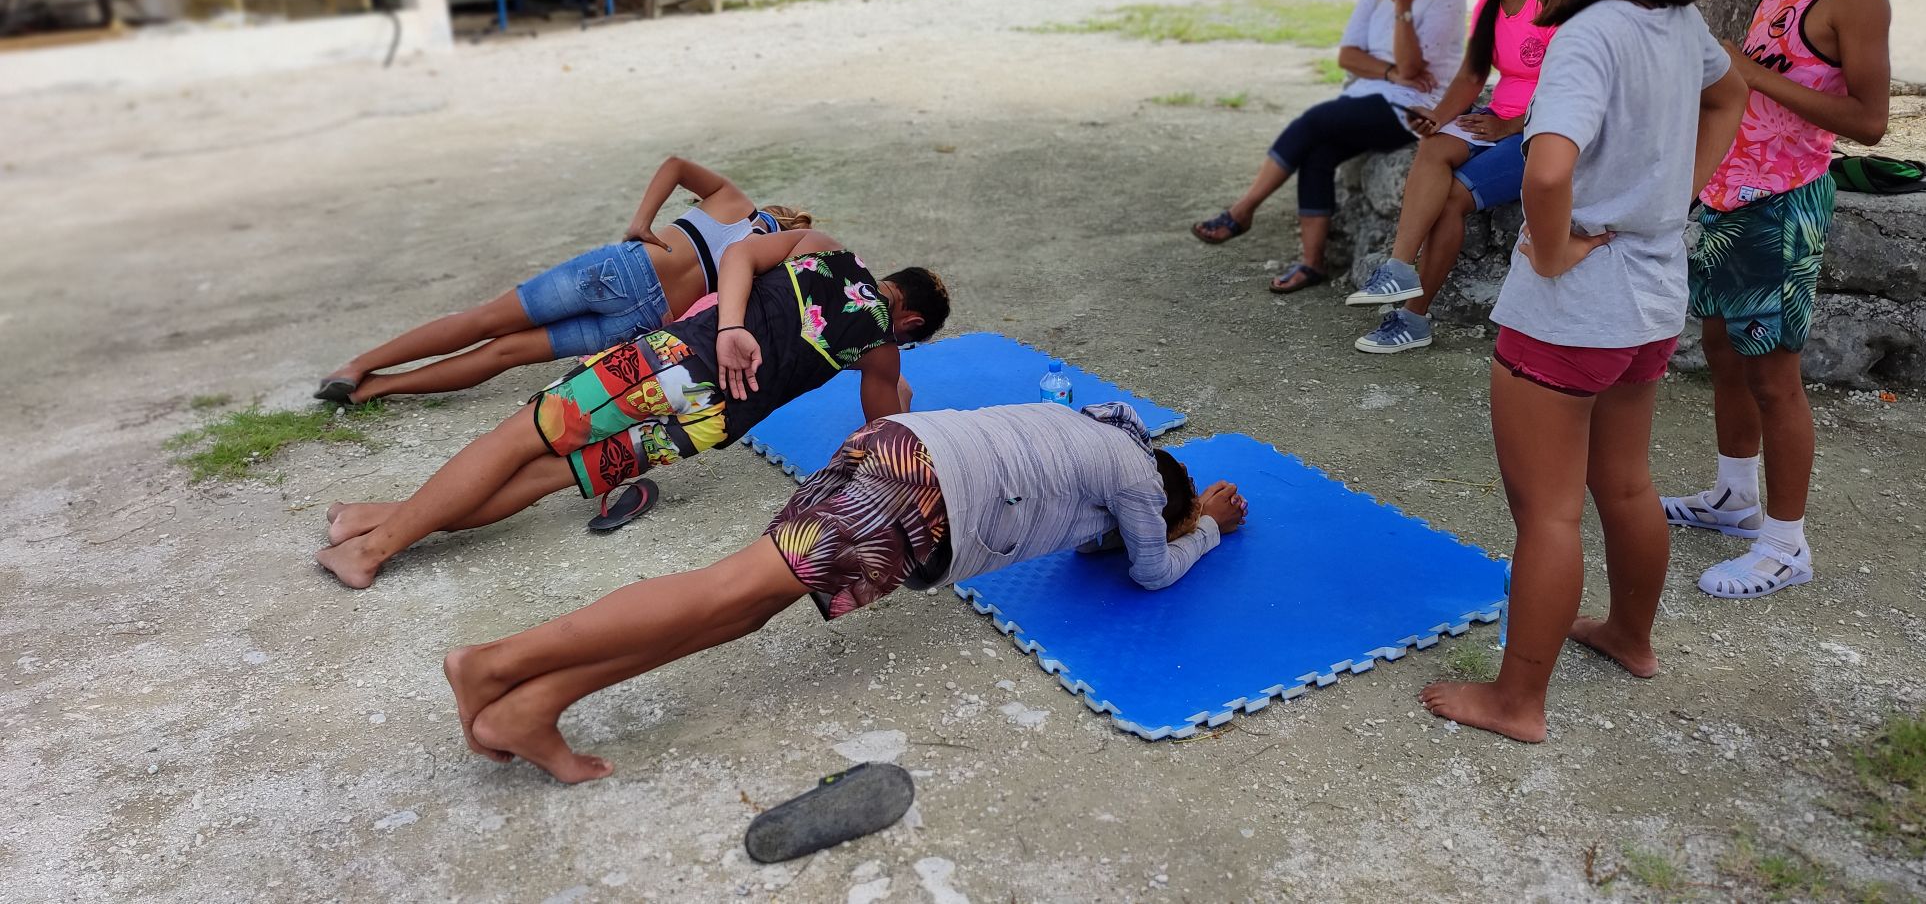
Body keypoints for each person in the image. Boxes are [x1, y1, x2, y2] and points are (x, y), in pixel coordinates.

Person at [439, 401, 1248, 782]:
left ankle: (532, 703)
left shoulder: (1108, 430)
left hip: (895, 445)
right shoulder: (1139, 481)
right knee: (729, 586)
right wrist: (1204, 528)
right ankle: (495, 662)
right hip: (921, 488)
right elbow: (1149, 568)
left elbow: (1094, 535)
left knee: (746, 607)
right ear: (1162, 498)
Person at [1419, 0, 1748, 743]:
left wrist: (1558, 246)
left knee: (1548, 513)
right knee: (1628, 486)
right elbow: (1731, 97)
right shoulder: (1675, 20)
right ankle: (1631, 638)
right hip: (1650, 302)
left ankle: (1517, 699)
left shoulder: (1585, 36)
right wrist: (1675, 197)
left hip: (1571, 312)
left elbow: (1548, 167)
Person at [313, 228, 950, 589]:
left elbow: (739, 254)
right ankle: (374, 521)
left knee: (517, 440)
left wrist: (731, 324)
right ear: (912, 322)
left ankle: (370, 551)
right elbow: (883, 428)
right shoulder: (881, 349)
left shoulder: (824, 249)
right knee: (545, 475)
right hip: (708, 422)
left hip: (666, 364)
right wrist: (901, 391)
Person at [1662, 0, 1892, 601]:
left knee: (1774, 376)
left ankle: (1787, 544)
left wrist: (1751, 72)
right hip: (1733, 199)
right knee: (1724, 350)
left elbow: (1869, 121)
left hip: (1783, 204)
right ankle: (1735, 497)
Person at [314, 156, 812, 405]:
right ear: (789, 234)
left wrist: (642, 222)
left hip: (626, 270)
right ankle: (377, 389)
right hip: (643, 319)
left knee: (484, 320)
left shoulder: (734, 202)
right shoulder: (769, 269)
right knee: (504, 354)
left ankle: (359, 366)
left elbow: (676, 165)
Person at [1192, 0, 1467, 293]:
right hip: (1370, 94)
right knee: (1318, 149)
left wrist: (1404, 7)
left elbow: (1411, 70)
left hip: (1414, 106)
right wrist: (1388, 70)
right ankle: (1312, 262)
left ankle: (1242, 210)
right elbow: (1347, 56)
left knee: (1313, 123)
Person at [1347, 0, 1556, 353]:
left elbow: (1570, 90)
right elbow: (1470, 78)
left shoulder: (1550, 7)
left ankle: (1413, 320)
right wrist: (1438, 118)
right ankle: (1398, 268)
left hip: (1538, 133)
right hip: (1495, 118)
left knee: (1450, 203)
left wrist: (1510, 125)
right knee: (1434, 146)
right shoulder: (1490, 5)